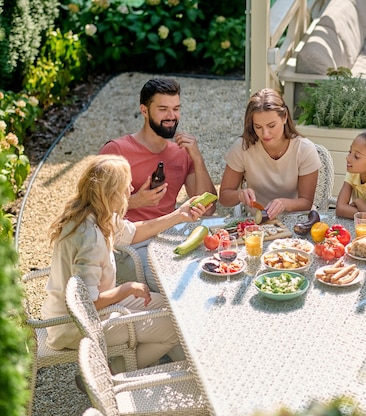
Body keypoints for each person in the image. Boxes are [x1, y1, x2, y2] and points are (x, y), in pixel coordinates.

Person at [41, 154, 210, 372]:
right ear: (109, 193)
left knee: (172, 309)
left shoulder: (94, 213)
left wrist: (179, 215)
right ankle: (107, 375)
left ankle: (190, 366)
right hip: (76, 325)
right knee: (173, 329)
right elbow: (86, 304)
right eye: (125, 186)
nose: (131, 190)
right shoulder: (89, 238)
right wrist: (126, 289)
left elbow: (134, 232)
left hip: (89, 309)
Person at [99, 78, 217, 291]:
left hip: (171, 237)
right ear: (144, 110)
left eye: (176, 109)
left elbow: (209, 208)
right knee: (180, 287)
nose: (171, 116)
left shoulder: (182, 153)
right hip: (131, 246)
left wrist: (197, 158)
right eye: (163, 109)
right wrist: (134, 202)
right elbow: (94, 211)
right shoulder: (116, 151)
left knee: (216, 271)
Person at [219, 88, 321, 220]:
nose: (265, 134)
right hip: (257, 223)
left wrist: (284, 204)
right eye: (258, 127)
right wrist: (239, 195)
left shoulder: (304, 149)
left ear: (284, 117)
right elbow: (224, 198)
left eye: (271, 125)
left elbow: (306, 202)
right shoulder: (242, 147)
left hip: (297, 222)